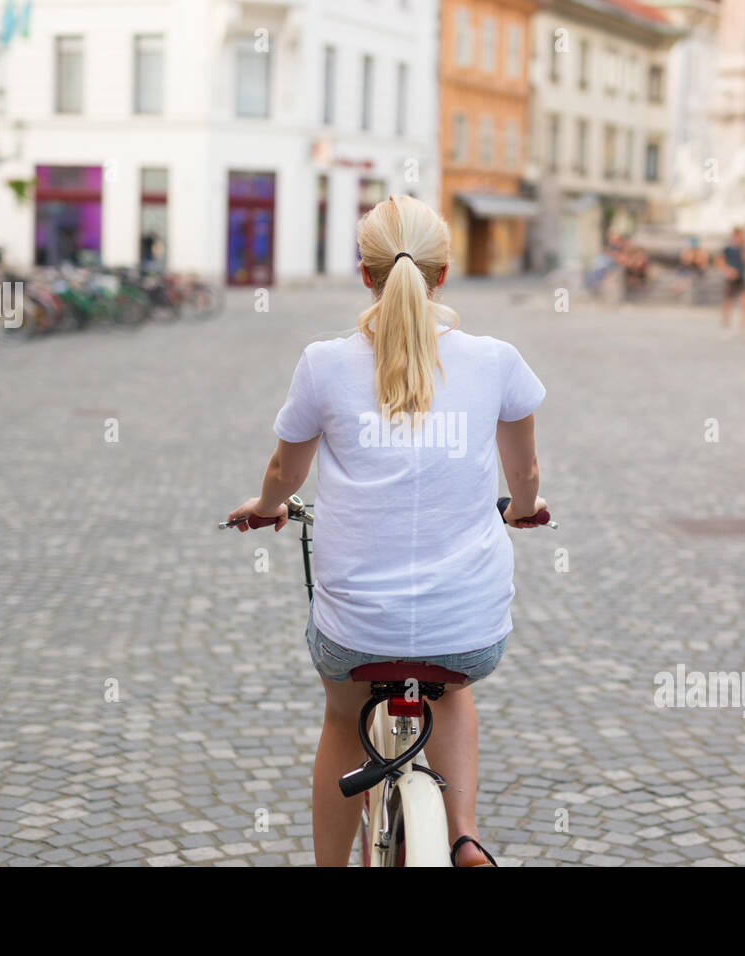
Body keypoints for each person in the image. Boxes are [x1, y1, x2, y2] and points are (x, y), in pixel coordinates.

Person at [224, 194, 549, 867]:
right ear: (445, 273)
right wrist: (520, 509)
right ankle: (463, 836)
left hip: (357, 632)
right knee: (453, 691)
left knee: (345, 717)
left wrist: (265, 506)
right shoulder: (495, 361)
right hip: (467, 628)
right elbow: (528, 476)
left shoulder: (324, 363)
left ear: (364, 273)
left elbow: (286, 472)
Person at [719, 226, 745, 333]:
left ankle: (744, 323)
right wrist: (727, 270)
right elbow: (720, 261)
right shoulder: (727, 248)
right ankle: (725, 321)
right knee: (728, 300)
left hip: (741, 276)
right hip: (730, 277)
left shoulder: (743, 248)